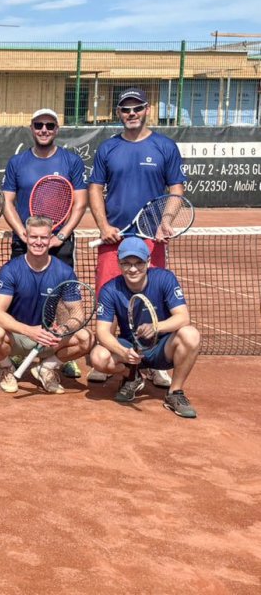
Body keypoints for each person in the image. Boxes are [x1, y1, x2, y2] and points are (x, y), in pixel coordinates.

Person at [87, 87, 186, 385]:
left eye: (137, 108)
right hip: (113, 240)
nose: (131, 114)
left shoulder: (165, 147)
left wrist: (165, 221)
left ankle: (153, 361)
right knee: (108, 298)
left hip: (150, 239)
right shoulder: (108, 148)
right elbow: (95, 189)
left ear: (147, 110)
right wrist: (103, 225)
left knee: (151, 300)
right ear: (119, 113)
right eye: (125, 109)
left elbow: (176, 190)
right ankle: (106, 354)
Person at [0, 107, 88, 379]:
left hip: (59, 242)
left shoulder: (71, 161)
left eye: (50, 126)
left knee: (63, 299)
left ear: (57, 129)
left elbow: (81, 202)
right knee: (20, 294)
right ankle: (18, 348)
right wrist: (22, 232)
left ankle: (57, 355)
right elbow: (7, 201)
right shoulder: (18, 163)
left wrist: (60, 236)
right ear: (32, 127)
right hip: (26, 241)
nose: (44, 130)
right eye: (39, 125)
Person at [88, 237, 201, 418]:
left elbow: (183, 317)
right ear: (118, 263)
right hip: (131, 348)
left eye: (138, 263)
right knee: (98, 357)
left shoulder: (165, 278)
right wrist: (122, 352)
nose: (133, 269)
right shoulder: (110, 289)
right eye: (126, 263)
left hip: (161, 347)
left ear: (148, 261)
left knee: (191, 334)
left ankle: (175, 393)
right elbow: (102, 331)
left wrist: (157, 327)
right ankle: (132, 376)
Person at [0, 216, 95, 394]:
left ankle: (47, 368)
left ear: (50, 238)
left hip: (48, 337)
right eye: (34, 237)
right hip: (17, 336)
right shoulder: (10, 270)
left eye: (43, 237)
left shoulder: (64, 272)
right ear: (26, 237)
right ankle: (6, 368)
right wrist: (29, 330)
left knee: (86, 337)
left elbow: (77, 313)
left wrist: (64, 328)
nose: (38, 242)